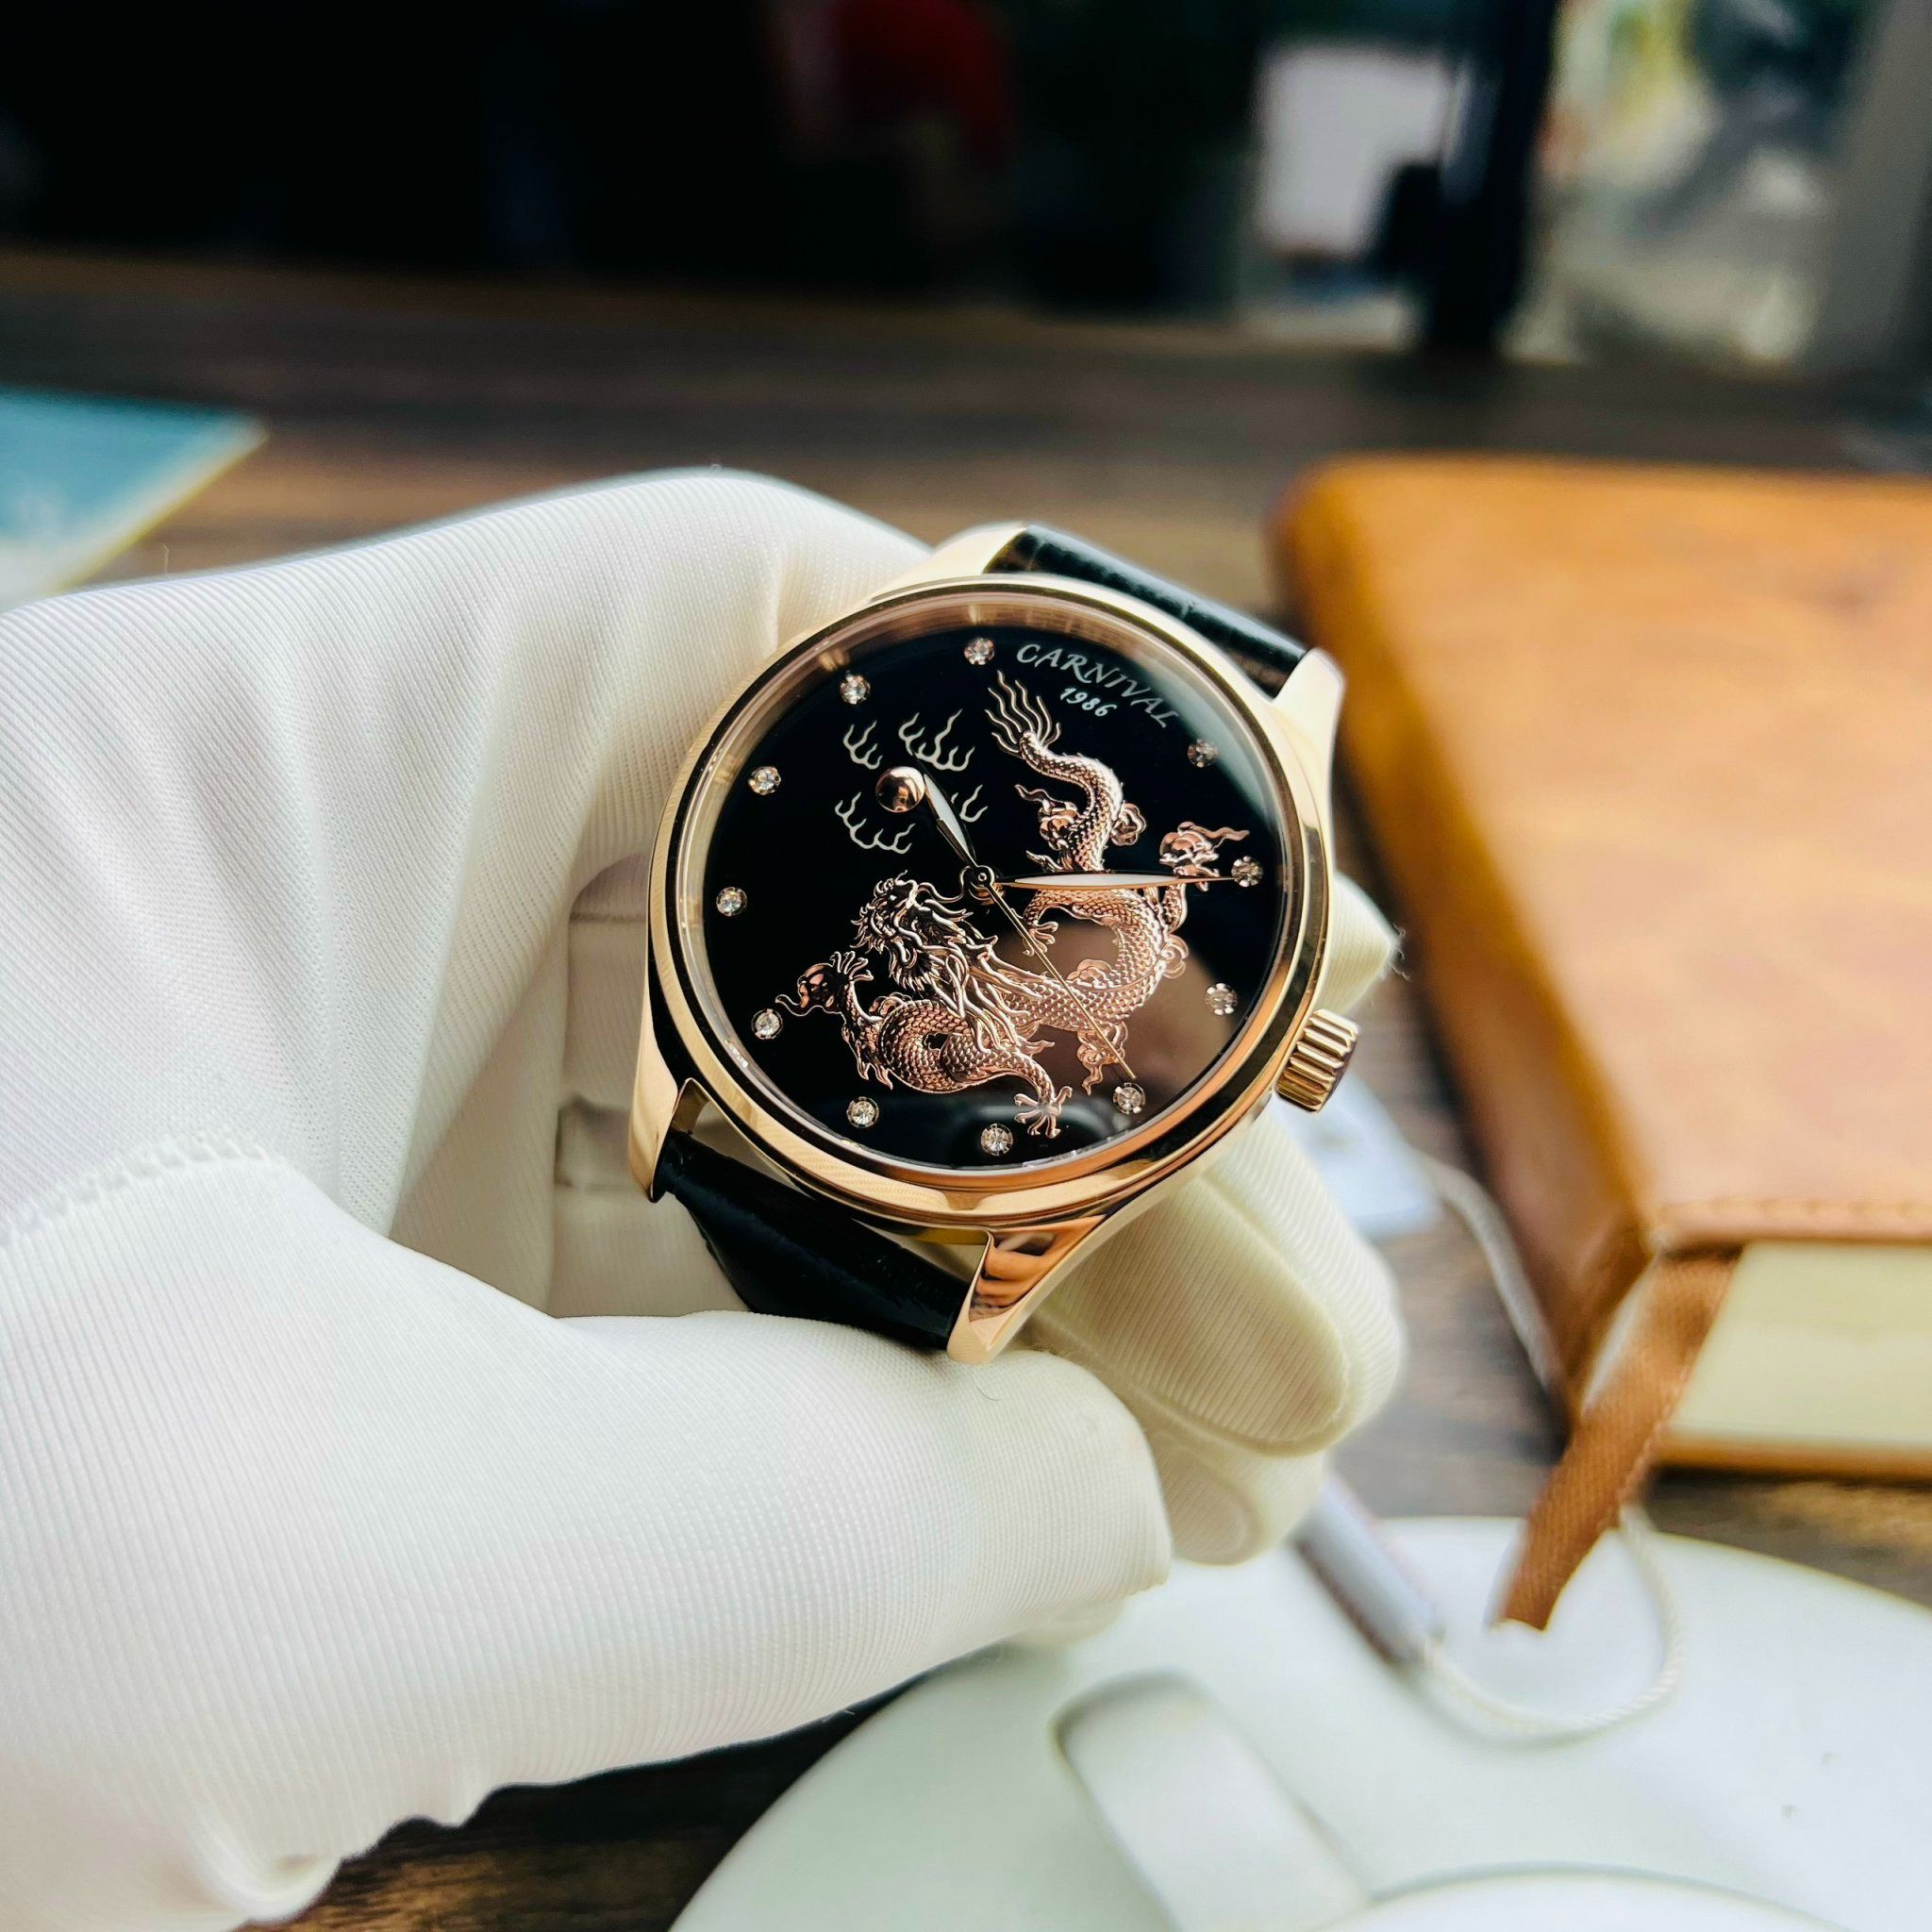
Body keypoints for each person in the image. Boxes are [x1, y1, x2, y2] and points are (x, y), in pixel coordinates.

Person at [0, 474, 1403, 1929]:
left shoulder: (1098, 955)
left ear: (1291, 1053)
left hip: (928, 1135)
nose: (1012, 899)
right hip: (748, 1070)